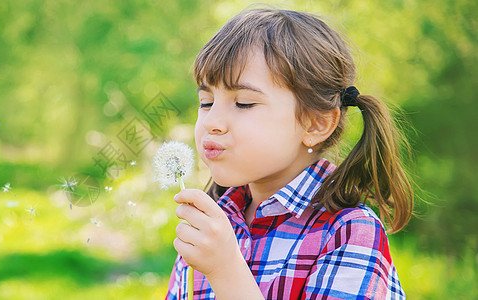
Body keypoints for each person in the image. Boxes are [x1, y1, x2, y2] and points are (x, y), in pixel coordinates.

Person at [166, 8, 413, 300]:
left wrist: (226, 271)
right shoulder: (213, 228)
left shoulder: (347, 232)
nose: (211, 122)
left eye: (243, 103)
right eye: (206, 102)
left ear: (316, 123)